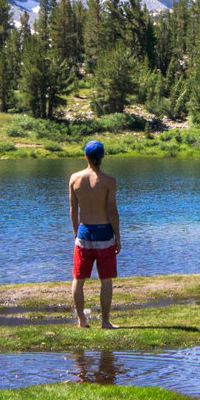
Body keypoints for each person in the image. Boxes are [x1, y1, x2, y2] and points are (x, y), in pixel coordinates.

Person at [68, 139, 120, 328]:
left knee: (79, 279)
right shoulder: (109, 181)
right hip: (104, 232)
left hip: (84, 232)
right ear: (102, 157)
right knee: (105, 279)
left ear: (86, 156)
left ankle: (82, 320)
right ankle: (105, 321)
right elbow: (112, 211)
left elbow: (73, 210)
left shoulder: (74, 179)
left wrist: (76, 234)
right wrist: (118, 237)